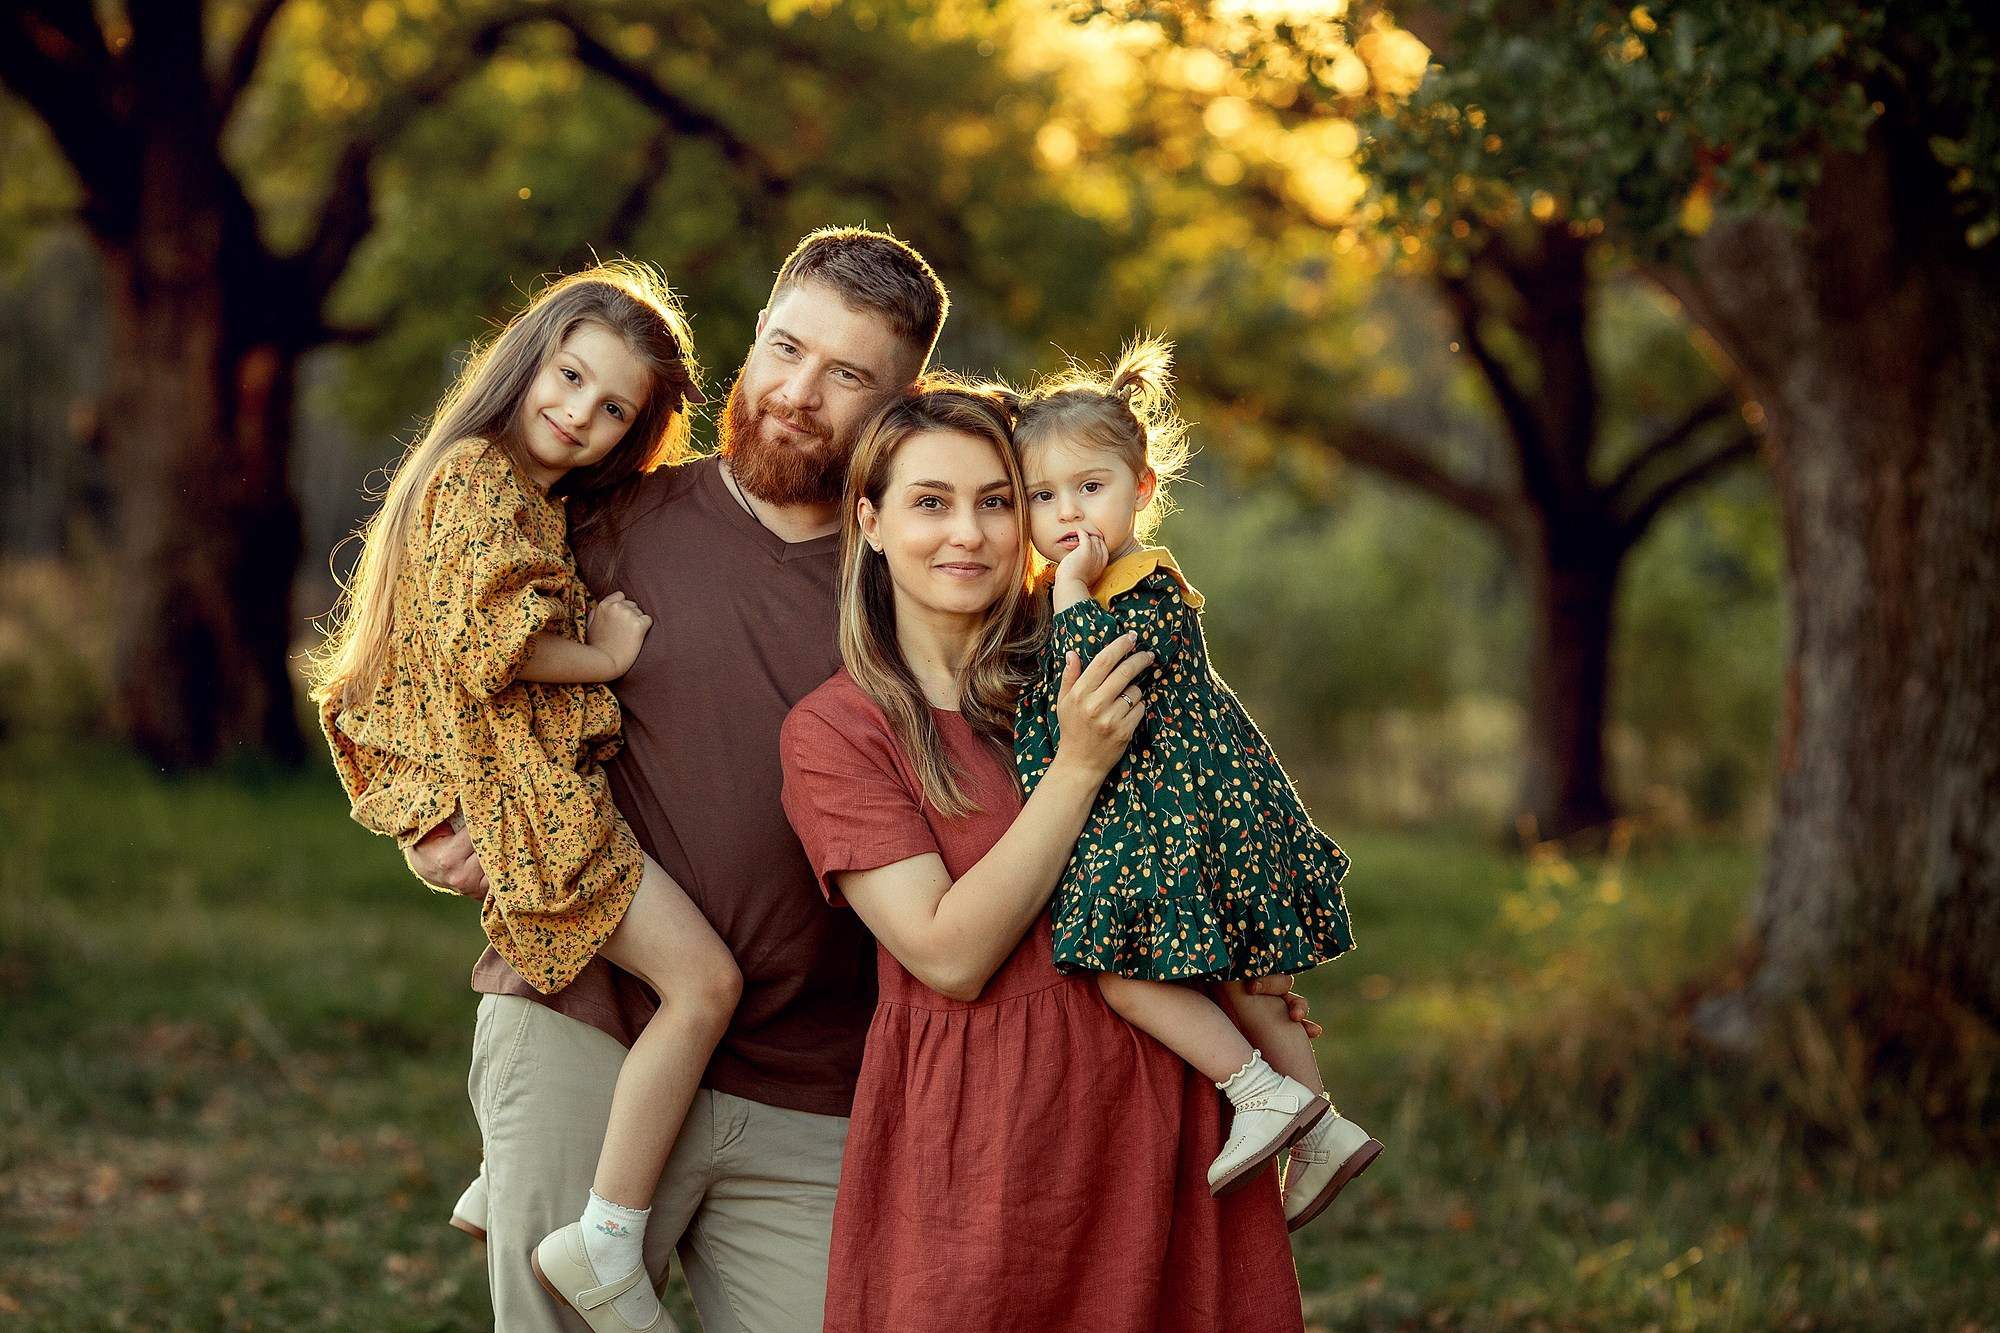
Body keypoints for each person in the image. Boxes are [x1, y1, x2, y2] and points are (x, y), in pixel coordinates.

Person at [402, 227, 947, 1333]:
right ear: (753, 337)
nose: (797, 393)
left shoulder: (921, 574)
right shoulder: (600, 521)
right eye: (786, 348)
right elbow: (439, 644)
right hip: (583, 1023)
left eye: (846, 375)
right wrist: (432, 811)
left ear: (901, 398)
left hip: (814, 1078)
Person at [778, 385, 1308, 1331]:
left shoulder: (1090, 651)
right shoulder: (836, 730)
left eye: (997, 500)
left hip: (1155, 1095)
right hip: (986, 1138)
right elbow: (947, 953)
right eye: (931, 502)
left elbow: (1202, 816)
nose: (970, 534)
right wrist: (1077, 766)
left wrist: (1245, 952)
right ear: (870, 521)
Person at [312, 264, 742, 1332]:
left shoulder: (519, 491)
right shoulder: (474, 475)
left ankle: (502, 1172)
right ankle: (603, 1236)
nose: (578, 413)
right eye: (569, 376)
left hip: (527, 795)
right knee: (702, 985)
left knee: (645, 979)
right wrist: (604, 653)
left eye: (612, 410)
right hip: (535, 808)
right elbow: (479, 643)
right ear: (528, 356)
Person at [1010, 337, 1381, 1232]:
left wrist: (1066, 597)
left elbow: (1092, 684)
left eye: (1089, 489)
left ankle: (1259, 1093)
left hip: (1183, 816)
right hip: (1211, 806)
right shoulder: (1115, 580)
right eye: (1041, 497)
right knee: (1255, 982)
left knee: (1120, 972)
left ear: (1141, 488)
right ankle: (1322, 1126)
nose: (1067, 516)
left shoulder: (1137, 589)